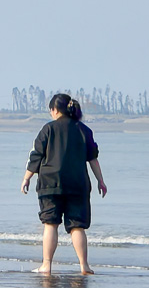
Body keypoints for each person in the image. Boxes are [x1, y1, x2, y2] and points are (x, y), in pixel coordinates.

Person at [21, 93, 107, 274]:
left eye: (51, 110)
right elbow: (93, 159)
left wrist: (26, 178)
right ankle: (84, 266)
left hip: (50, 184)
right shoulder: (84, 130)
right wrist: (101, 181)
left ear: (54, 110)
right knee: (77, 226)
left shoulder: (48, 129)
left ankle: (46, 265)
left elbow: (36, 156)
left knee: (50, 224)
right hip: (78, 184)